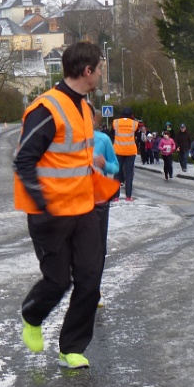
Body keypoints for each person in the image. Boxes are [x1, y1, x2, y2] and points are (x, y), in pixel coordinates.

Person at [13, 41, 108, 369]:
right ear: (87, 71)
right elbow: (23, 160)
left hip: (84, 209)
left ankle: (72, 348)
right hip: (49, 214)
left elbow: (71, 155)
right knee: (58, 281)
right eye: (99, 68)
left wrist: (94, 165)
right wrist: (42, 202)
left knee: (90, 278)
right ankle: (32, 315)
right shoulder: (46, 108)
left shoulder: (86, 108)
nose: (101, 74)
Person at [92, 123, 120, 307]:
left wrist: (105, 165)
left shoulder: (102, 139)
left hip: (98, 200)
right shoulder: (67, 139)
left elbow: (115, 167)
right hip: (74, 200)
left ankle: (95, 288)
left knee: (99, 247)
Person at [112, 106, 138, 201]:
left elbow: (112, 134)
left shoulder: (115, 122)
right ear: (131, 114)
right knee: (129, 174)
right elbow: (136, 136)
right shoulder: (135, 124)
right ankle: (128, 196)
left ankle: (116, 196)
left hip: (118, 150)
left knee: (117, 173)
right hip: (130, 151)